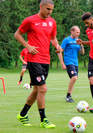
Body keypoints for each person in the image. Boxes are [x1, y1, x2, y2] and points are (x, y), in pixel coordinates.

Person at [14, 0, 61, 128]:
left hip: (46, 60)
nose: (49, 12)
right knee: (43, 89)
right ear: (40, 7)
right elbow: (17, 34)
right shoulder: (30, 20)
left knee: (36, 90)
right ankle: (43, 120)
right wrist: (27, 46)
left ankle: (23, 114)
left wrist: (57, 46)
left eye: (51, 9)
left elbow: (53, 37)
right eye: (47, 9)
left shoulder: (52, 22)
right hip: (34, 59)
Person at [58, 26, 85, 103]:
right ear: (72, 32)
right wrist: (62, 63)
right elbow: (59, 51)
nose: (78, 34)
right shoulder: (66, 40)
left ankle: (69, 96)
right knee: (74, 77)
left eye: (79, 32)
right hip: (68, 61)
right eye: (77, 32)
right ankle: (68, 96)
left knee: (74, 79)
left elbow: (82, 53)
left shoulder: (77, 40)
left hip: (75, 63)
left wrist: (81, 45)